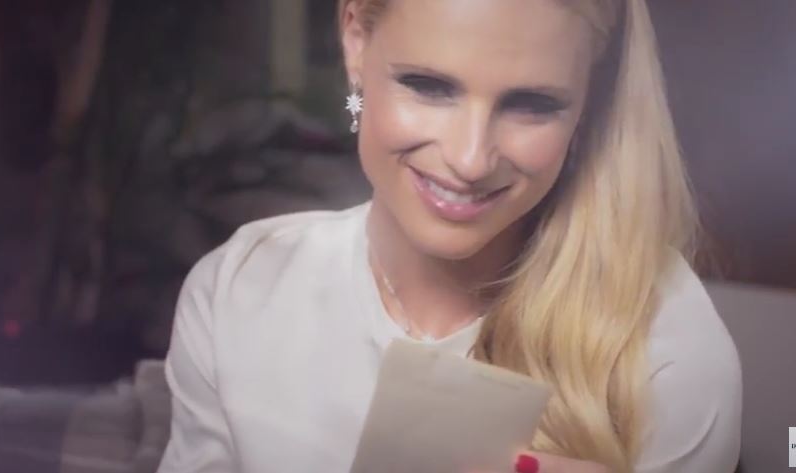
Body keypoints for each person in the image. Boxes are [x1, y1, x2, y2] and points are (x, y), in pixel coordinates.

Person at [157, 0, 742, 471]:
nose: (470, 159)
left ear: (588, 102)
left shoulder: (662, 341)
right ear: (356, 39)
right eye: (429, 86)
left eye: (532, 104)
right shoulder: (239, 292)